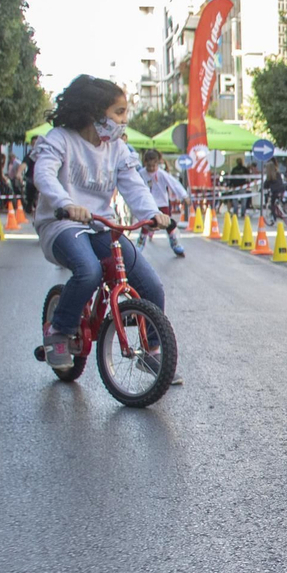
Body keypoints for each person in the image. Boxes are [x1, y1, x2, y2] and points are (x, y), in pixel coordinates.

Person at [32, 75, 174, 377]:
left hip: (100, 225)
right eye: (119, 112)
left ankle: (151, 352)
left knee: (150, 285)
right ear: (95, 112)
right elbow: (44, 175)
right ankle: (59, 331)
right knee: (89, 271)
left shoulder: (118, 149)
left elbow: (134, 187)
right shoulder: (60, 139)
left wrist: (152, 214)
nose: (125, 119)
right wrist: (65, 203)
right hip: (62, 224)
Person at [138, 148, 188, 257]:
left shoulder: (161, 174)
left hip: (162, 203)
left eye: (153, 166)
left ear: (158, 163)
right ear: (145, 163)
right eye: (149, 166)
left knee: (168, 224)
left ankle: (175, 244)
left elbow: (173, 184)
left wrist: (184, 195)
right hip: (148, 203)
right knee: (145, 225)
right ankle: (139, 246)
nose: (151, 169)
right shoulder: (141, 174)